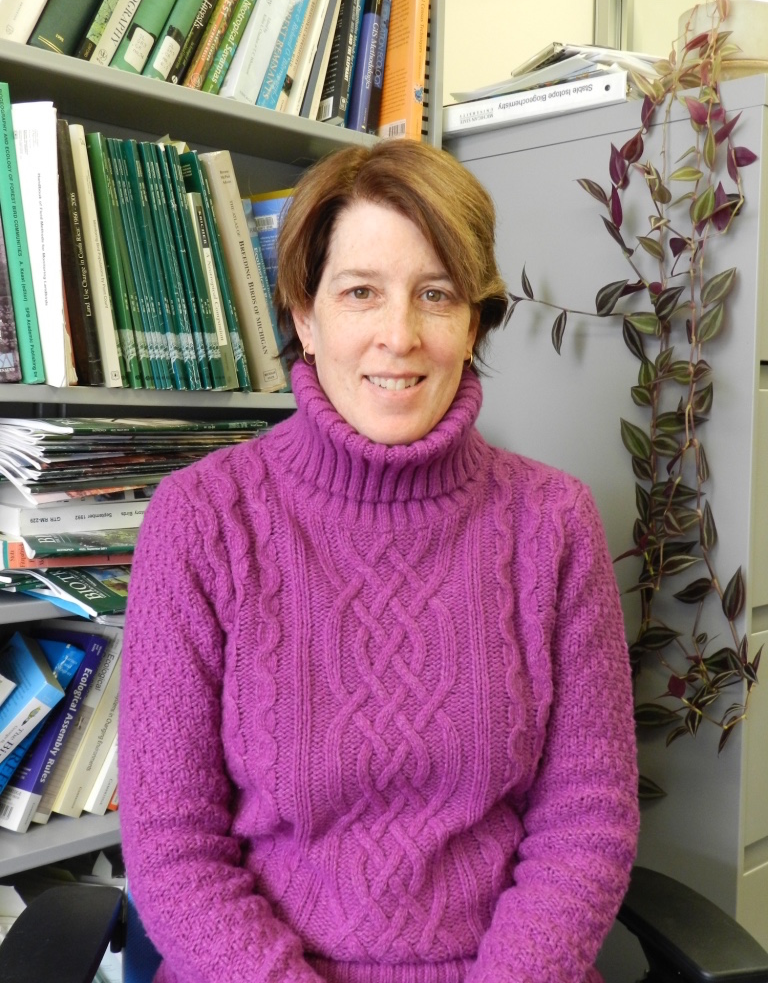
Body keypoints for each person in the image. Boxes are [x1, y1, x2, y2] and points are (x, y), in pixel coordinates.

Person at [119, 138, 639, 983]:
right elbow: (174, 848)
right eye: (361, 292)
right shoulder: (202, 521)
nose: (399, 336)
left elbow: (587, 819)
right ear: (303, 314)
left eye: (435, 295)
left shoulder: (551, 521)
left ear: (472, 321)